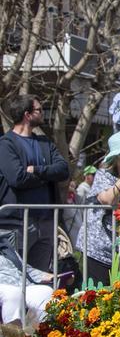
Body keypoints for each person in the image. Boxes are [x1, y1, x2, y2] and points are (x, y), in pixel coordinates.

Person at [0, 95, 71, 274]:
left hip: (46, 222)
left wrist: (37, 170)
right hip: (18, 223)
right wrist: (48, 175)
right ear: (27, 114)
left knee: (41, 278)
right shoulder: (6, 144)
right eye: (39, 110)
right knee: (18, 276)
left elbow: (63, 170)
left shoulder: (45, 143)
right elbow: (17, 178)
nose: (43, 113)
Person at [75, 131, 120, 285]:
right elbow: (108, 199)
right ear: (115, 158)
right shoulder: (103, 175)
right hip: (98, 247)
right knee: (96, 294)